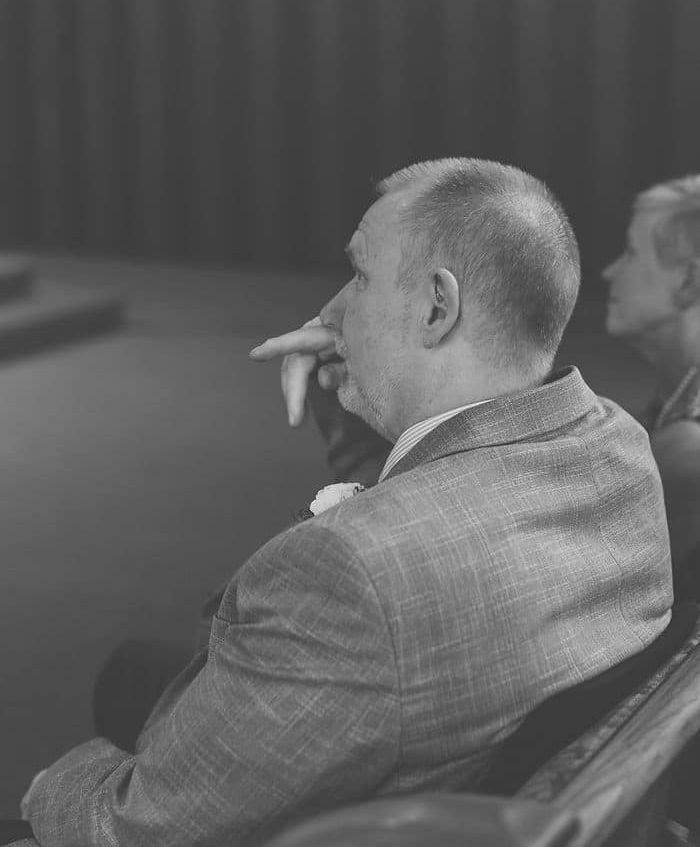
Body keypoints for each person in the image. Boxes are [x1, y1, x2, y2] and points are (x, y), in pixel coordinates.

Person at [4, 158, 672, 847]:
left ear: (437, 308)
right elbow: (442, 510)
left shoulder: (353, 572)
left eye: (358, 277)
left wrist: (51, 791)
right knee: (134, 669)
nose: (329, 312)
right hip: (479, 766)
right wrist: (360, 423)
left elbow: (134, 831)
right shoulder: (616, 446)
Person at [602, 174, 700, 599]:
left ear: (689, 284)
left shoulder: (687, 448)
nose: (609, 272)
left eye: (631, 252)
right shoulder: (676, 400)